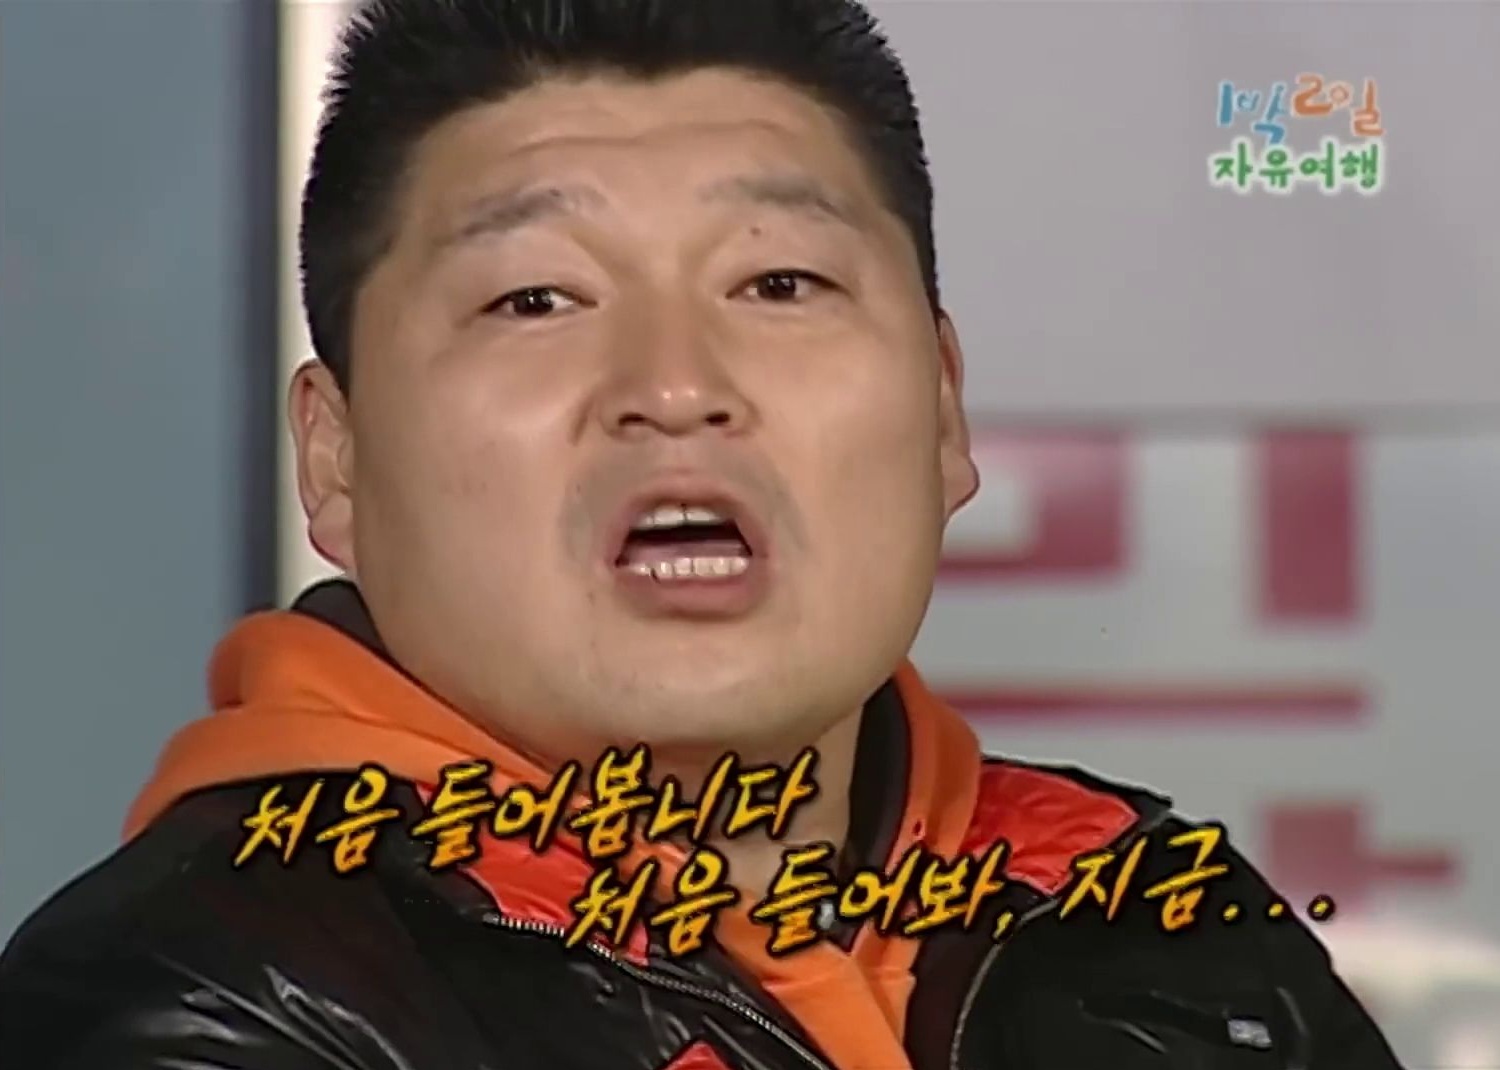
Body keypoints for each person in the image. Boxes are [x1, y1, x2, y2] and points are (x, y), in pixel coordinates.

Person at [0, 1, 1405, 1067]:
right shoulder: (202, 1000)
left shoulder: (1160, 923)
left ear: (943, 411)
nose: (675, 386)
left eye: (779, 282)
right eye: (536, 299)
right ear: (337, 459)